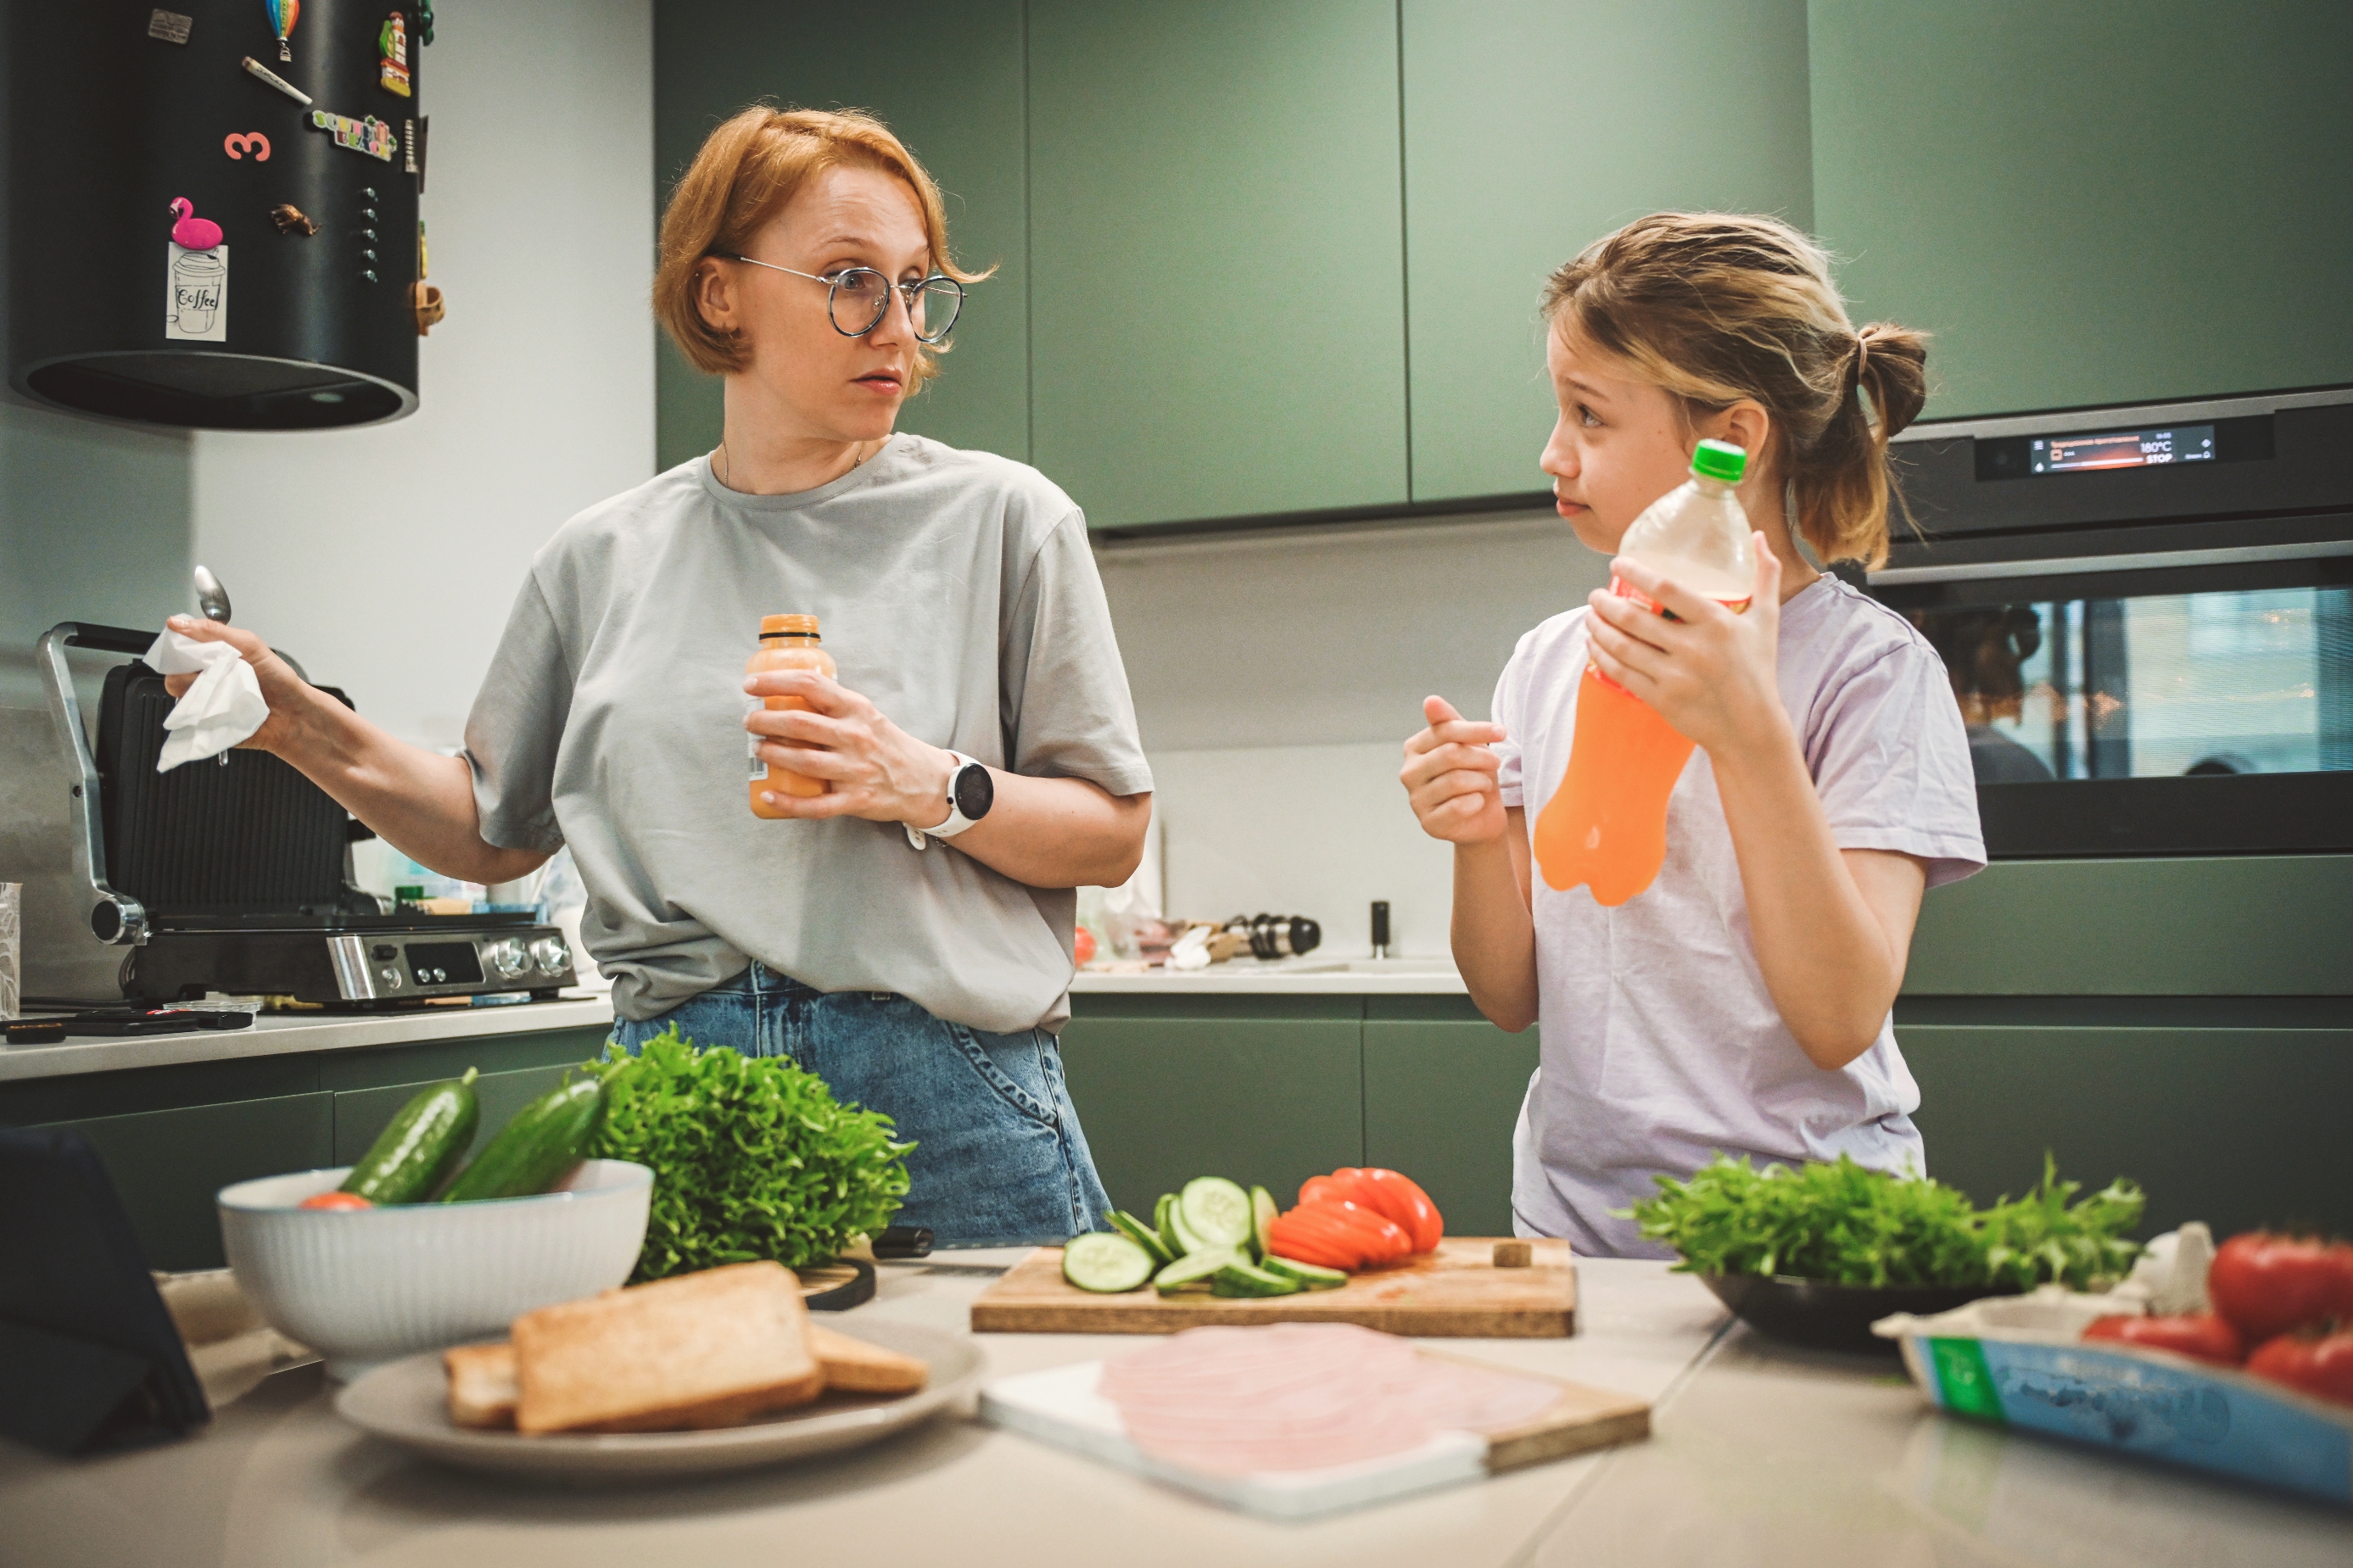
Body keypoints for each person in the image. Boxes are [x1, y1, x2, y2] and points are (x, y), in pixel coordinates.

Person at [162, 107, 1153, 1246]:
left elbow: (1110, 830)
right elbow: (493, 826)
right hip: (675, 1082)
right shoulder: (602, 555)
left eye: (916, 284)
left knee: (981, 1421)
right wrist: (300, 728)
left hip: (944, 1093)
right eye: (847, 279)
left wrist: (927, 782)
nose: (896, 326)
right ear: (720, 291)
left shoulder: (1005, 520)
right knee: (673, 1410)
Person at [1398, 214, 1985, 1258]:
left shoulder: (1871, 673)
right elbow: (1508, 995)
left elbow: (1840, 1016)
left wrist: (1748, 734)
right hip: (1574, 1231)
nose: (1550, 451)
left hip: (1805, 1238)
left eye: (1588, 415)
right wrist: (1478, 839)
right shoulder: (1546, 660)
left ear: (1733, 438)